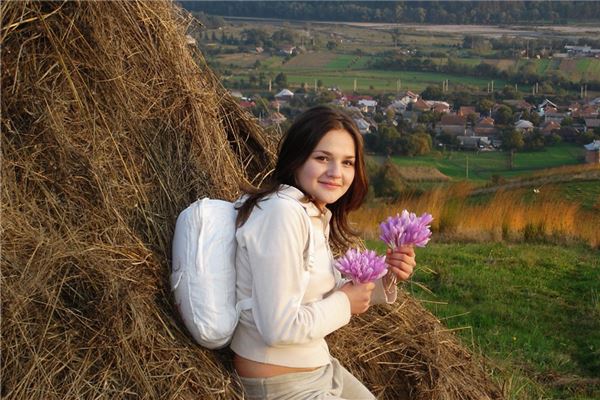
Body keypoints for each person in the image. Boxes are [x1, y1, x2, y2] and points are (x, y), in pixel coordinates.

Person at [231, 106, 416, 399]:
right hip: (284, 387)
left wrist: (387, 277)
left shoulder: (311, 212)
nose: (336, 173)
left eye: (347, 162)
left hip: (321, 369)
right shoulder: (282, 214)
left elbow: (314, 294)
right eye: (322, 158)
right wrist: (345, 302)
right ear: (296, 159)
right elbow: (278, 328)